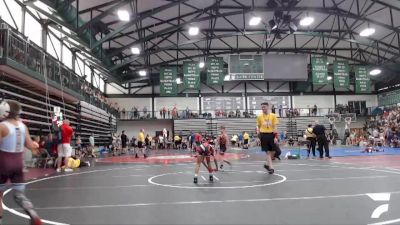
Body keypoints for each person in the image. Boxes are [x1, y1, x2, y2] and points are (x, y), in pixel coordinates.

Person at [0, 100, 42, 225]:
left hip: (3, 163)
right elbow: (31, 146)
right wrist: (35, 146)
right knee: (18, 194)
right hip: (18, 164)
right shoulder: (23, 126)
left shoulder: (2, 126)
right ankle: (31, 212)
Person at [257, 102, 278, 174]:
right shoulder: (259, 117)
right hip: (263, 135)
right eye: (262, 107)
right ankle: (271, 168)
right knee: (268, 152)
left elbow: (275, 127)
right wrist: (259, 136)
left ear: (268, 107)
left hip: (271, 135)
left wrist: (275, 137)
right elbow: (258, 126)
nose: (263, 109)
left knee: (274, 151)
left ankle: (266, 164)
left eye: (264, 107)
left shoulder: (273, 116)